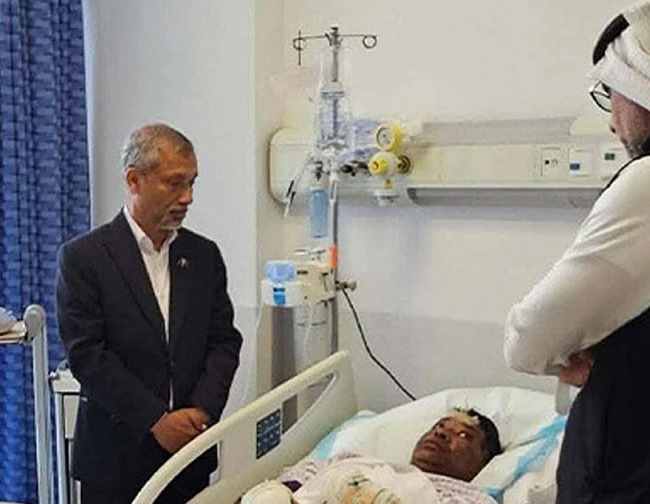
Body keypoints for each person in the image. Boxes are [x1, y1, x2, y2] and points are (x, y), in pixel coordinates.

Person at [504, 3, 650, 502]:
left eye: (611, 96)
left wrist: (566, 354)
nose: (612, 123)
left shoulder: (646, 186)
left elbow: (527, 338)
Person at [56, 123, 243, 503]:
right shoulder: (85, 258)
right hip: (115, 462)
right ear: (134, 180)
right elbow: (87, 355)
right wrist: (156, 420)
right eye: (174, 183)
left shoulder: (203, 256)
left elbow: (224, 341)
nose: (187, 197)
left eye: (192, 183)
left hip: (190, 453)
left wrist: (202, 410)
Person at [246, 409, 502, 504]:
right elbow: (290, 484)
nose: (441, 434)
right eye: (440, 426)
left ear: (483, 461)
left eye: (464, 435)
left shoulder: (468, 498)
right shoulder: (349, 460)